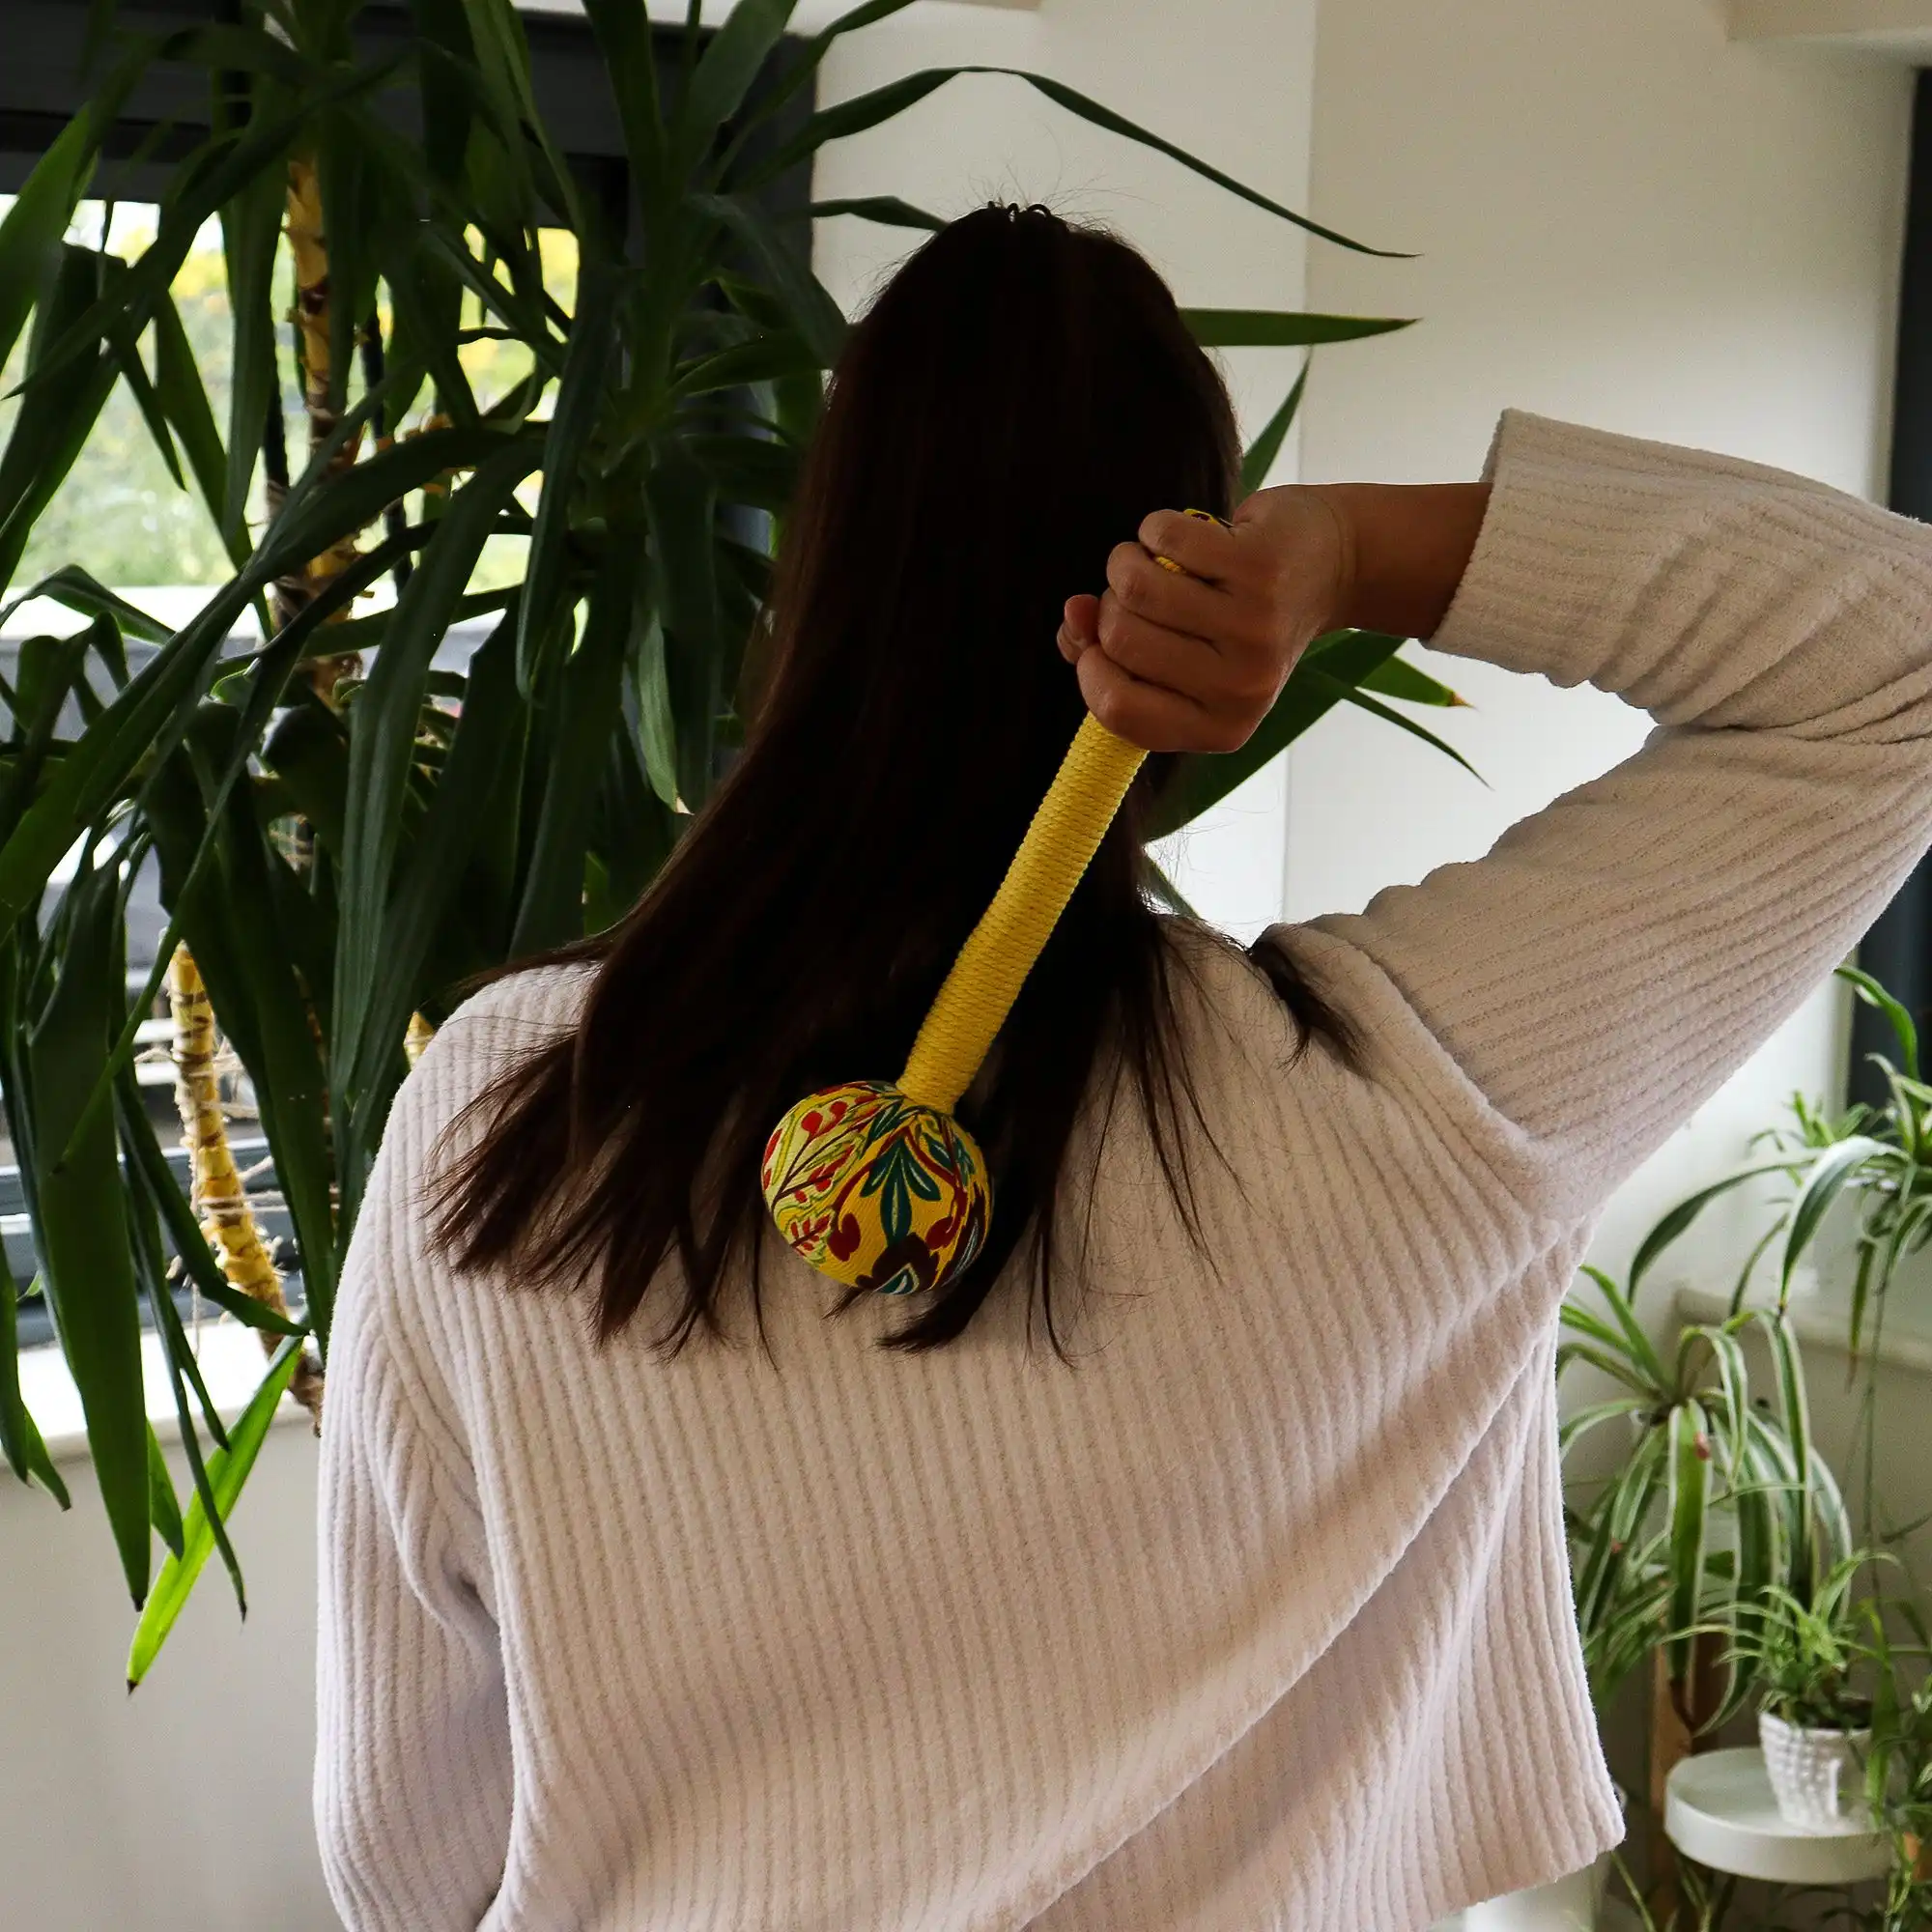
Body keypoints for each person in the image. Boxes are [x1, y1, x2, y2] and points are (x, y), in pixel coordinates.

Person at [314, 205, 1932, 1930]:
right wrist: (1344, 554)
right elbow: (1893, 663)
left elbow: (401, 1861)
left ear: (820, 573)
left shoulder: (502, 1114)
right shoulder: (1415, 1108)